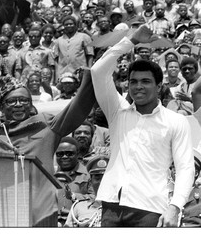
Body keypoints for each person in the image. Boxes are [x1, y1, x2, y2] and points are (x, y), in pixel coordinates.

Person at [0, 62, 96, 226]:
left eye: (24, 100)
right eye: (12, 101)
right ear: (2, 106)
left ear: (31, 106)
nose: (18, 105)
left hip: (39, 212)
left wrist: (90, 76)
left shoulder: (46, 126)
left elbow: (78, 108)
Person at [91, 25, 194, 227]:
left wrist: (175, 207)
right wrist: (131, 40)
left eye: (146, 81)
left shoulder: (176, 121)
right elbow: (98, 70)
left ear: (159, 86)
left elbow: (185, 168)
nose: (138, 86)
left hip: (150, 208)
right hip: (111, 205)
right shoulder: (117, 112)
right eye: (133, 81)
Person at [54, 136, 93, 226]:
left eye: (69, 153)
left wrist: (75, 196)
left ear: (78, 154)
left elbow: (95, 198)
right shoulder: (50, 174)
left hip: (77, 222)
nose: (64, 157)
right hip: (53, 222)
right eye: (60, 154)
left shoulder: (88, 174)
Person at [64, 154, 109, 227]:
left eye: (106, 178)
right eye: (97, 179)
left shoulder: (123, 208)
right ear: (91, 182)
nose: (102, 182)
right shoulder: (79, 207)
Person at [53, 15, 94, 83]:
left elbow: (90, 55)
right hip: (63, 73)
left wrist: (89, 71)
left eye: (71, 24)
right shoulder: (58, 40)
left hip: (80, 72)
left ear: (75, 25)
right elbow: (56, 59)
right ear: (63, 26)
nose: (69, 25)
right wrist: (57, 75)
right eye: (66, 24)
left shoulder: (84, 37)